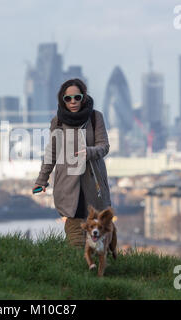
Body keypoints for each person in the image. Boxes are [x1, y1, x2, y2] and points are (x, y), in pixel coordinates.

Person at [33, 78, 112, 248]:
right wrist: (41, 180)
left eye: (77, 97)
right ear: (62, 100)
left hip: (92, 182)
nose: (73, 102)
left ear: (83, 97)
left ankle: (100, 268)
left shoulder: (95, 117)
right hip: (68, 184)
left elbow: (104, 146)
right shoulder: (58, 122)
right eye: (68, 99)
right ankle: (79, 269)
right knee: (75, 239)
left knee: (99, 238)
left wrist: (88, 152)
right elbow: (52, 153)